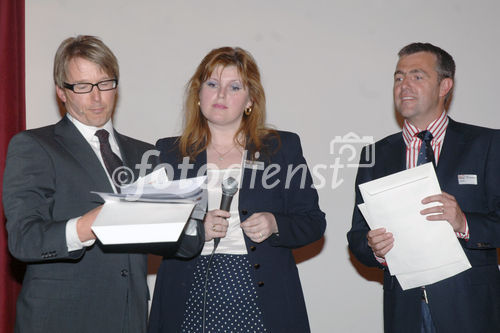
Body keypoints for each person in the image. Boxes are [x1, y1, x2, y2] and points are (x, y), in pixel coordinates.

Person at [2, 35, 203, 333]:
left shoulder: (147, 154)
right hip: (59, 319)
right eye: (82, 86)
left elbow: (186, 247)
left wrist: (184, 216)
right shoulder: (34, 146)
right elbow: (24, 239)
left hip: (128, 317)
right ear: (61, 91)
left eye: (105, 83)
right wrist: (85, 226)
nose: (97, 97)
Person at [148, 47, 326, 333]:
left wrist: (275, 223)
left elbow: (313, 222)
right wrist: (194, 229)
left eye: (234, 87)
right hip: (188, 295)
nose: (220, 95)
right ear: (198, 94)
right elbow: (151, 232)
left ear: (250, 100)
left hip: (260, 295)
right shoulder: (168, 153)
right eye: (212, 84)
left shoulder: (281, 148)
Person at [347, 42, 500, 333]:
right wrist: (374, 248)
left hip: (471, 309)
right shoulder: (374, 155)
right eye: (398, 77)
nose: (404, 85)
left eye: (417, 76)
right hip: (403, 310)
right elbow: (356, 235)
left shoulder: (488, 144)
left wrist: (464, 222)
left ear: (445, 86)